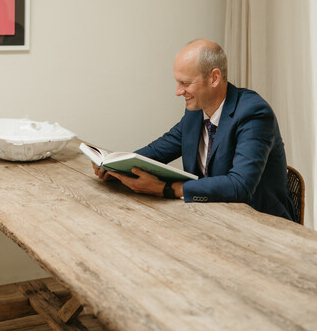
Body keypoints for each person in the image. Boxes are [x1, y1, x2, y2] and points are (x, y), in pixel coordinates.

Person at [93, 39, 297, 221]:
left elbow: (240, 186)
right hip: (208, 219)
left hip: (261, 226)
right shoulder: (195, 113)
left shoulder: (254, 113)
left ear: (214, 78)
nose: (178, 92)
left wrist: (165, 189)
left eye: (185, 83)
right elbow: (157, 151)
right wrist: (115, 166)